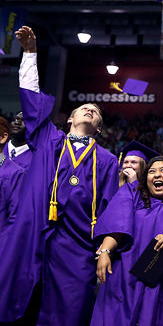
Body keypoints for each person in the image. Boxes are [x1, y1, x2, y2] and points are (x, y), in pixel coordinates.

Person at [0, 26, 119, 325]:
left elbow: (110, 208)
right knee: (19, 303)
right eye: (84, 107)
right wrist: (29, 54)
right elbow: (32, 104)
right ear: (69, 119)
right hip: (36, 235)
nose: (90, 109)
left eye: (95, 110)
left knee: (68, 312)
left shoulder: (106, 161)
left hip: (77, 247)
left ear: (100, 128)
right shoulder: (50, 141)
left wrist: (103, 248)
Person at [92, 156, 163, 325]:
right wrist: (105, 251)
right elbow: (117, 224)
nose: (157, 175)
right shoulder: (132, 195)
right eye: (152, 171)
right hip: (125, 273)